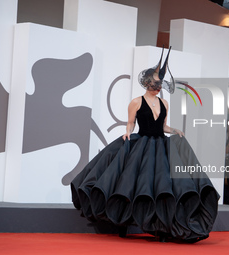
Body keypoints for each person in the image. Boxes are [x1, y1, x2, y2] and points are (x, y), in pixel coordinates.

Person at [70, 47, 219, 243]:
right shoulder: (136, 102)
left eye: (160, 84)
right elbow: (131, 122)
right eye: (156, 83)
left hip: (161, 146)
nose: (158, 87)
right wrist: (127, 133)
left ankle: (162, 227)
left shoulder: (164, 104)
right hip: (142, 146)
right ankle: (125, 222)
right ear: (148, 83)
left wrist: (175, 131)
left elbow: (163, 126)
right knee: (134, 184)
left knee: (163, 186)